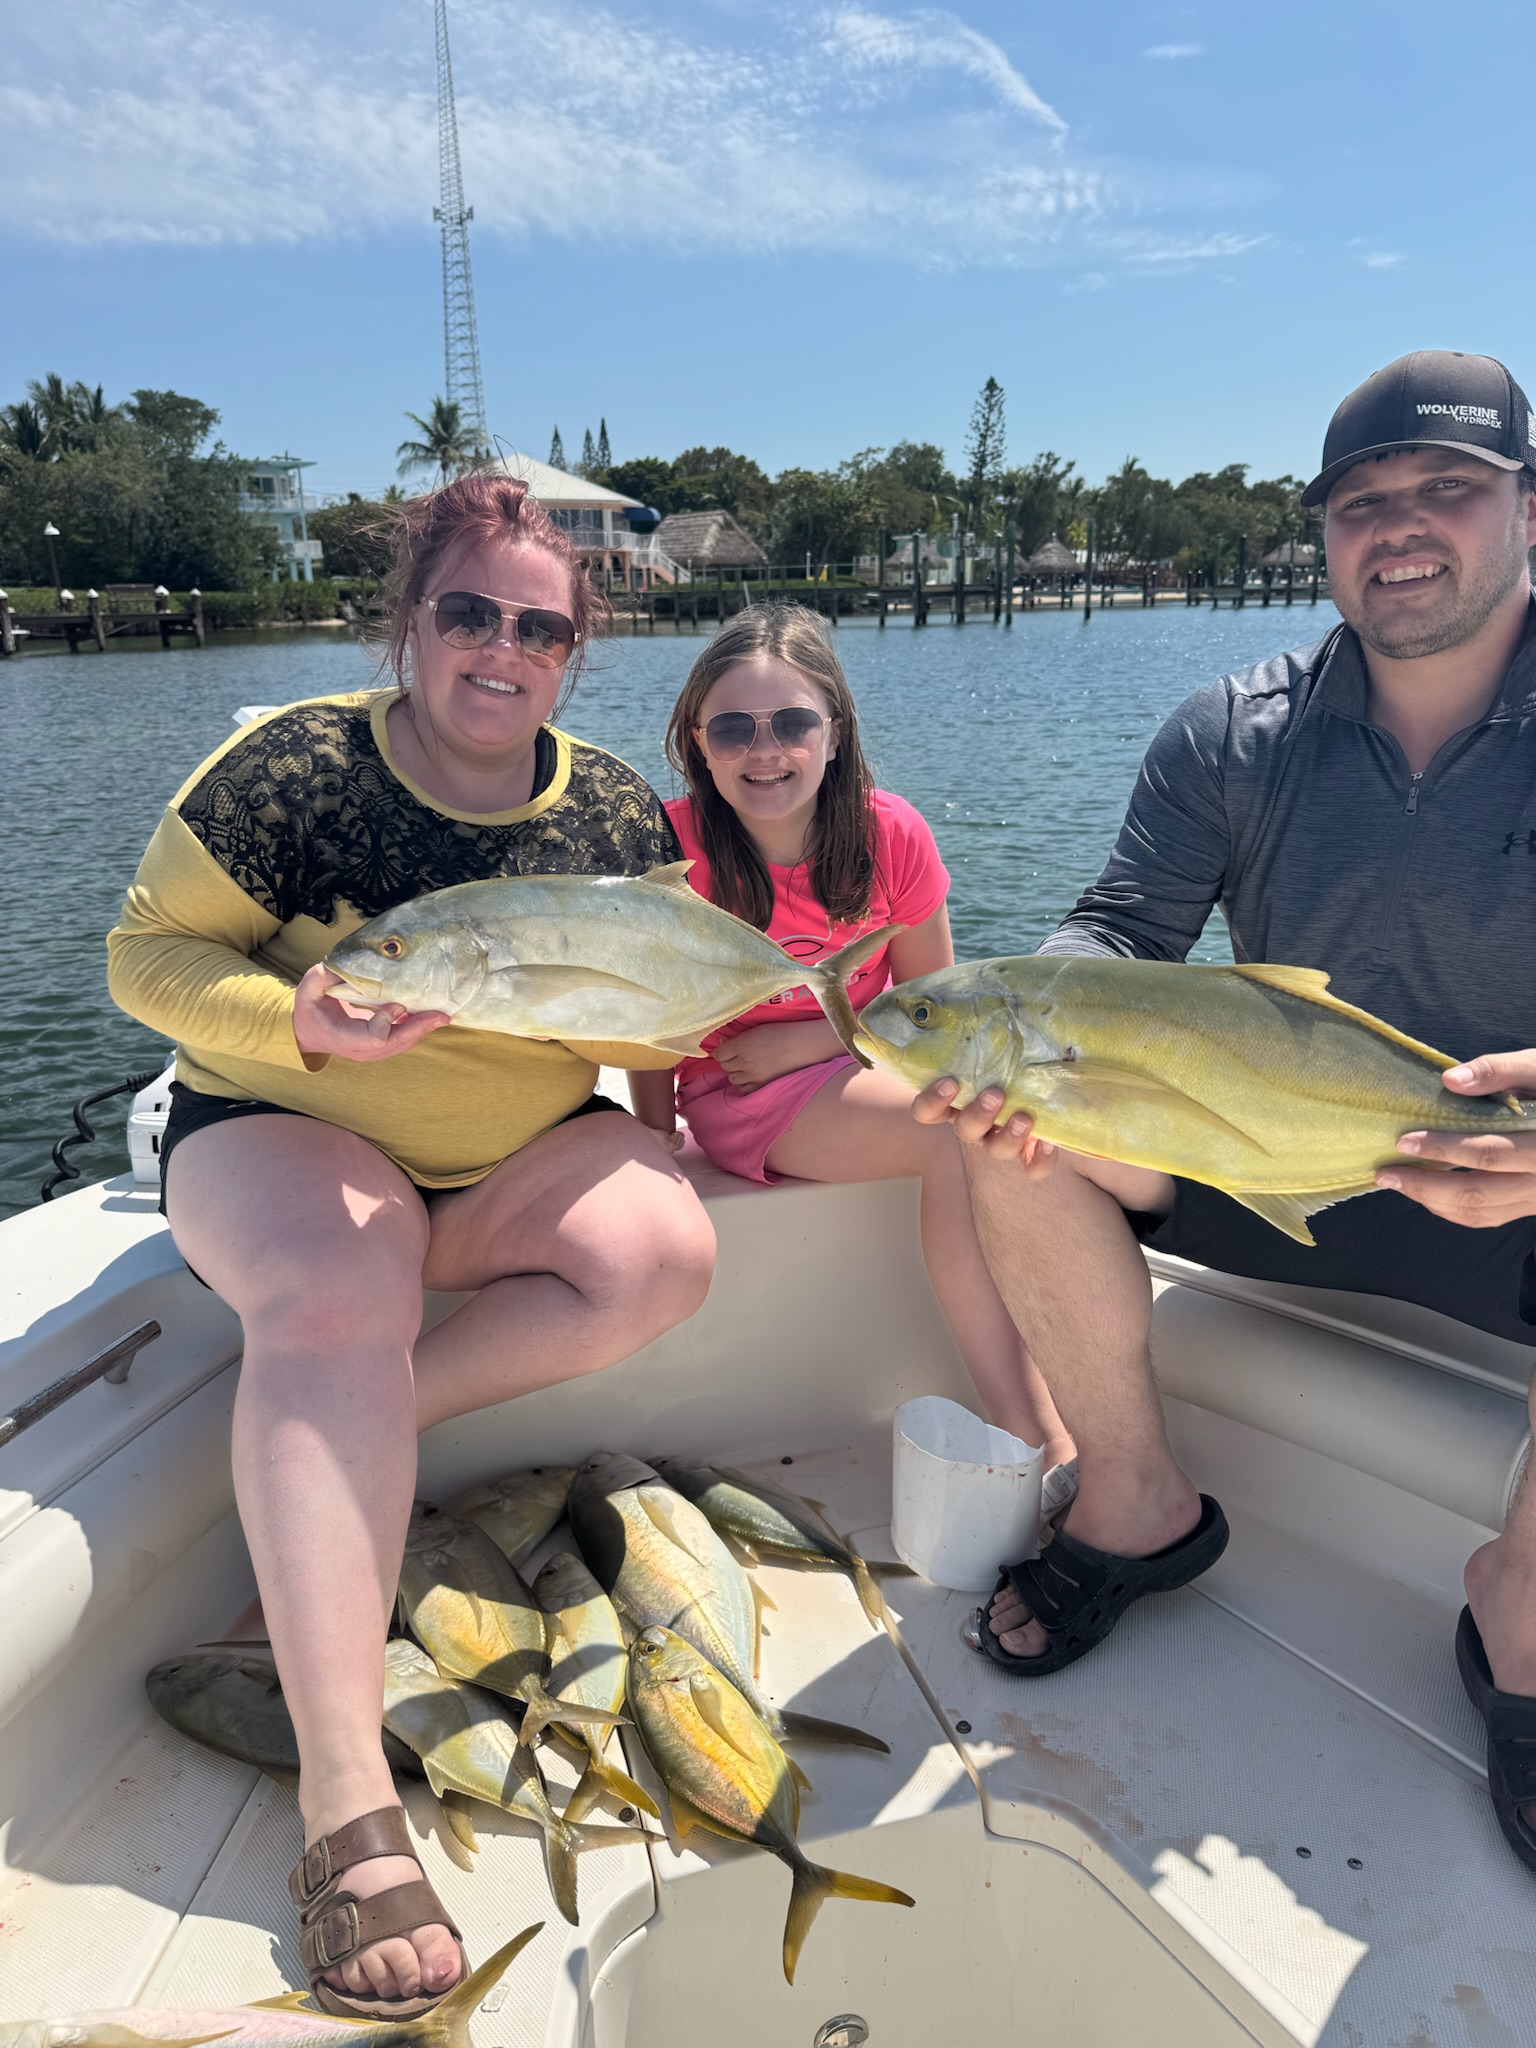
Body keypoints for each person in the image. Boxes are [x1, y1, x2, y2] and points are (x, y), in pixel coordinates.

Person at [912, 348, 1536, 1871]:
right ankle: (1131, 1501)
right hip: (1276, 1174)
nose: (1401, 527)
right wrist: (1029, 1014)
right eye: (1362, 503)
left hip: (1518, 1200)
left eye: (1446, 490)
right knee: (1017, 1128)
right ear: (1322, 535)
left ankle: (1519, 1606)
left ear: (1527, 507)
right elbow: (1120, 923)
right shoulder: (1228, 730)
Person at [106, 475, 716, 2016]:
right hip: (285, 1133)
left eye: (541, 627)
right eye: (468, 613)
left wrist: (683, 1083)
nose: (501, 650)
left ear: (576, 652)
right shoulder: (290, 767)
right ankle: (341, 1805)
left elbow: (653, 991)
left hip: (503, 1155)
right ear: (410, 621)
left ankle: (360, 1443)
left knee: (664, 1252)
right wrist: (291, 1019)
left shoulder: (614, 806)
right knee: (341, 1288)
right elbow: (142, 955)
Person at [628, 604, 1073, 1472]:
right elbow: (644, 1020)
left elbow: (935, 1013)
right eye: (734, 729)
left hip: (850, 1064)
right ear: (697, 740)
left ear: (834, 731)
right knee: (951, 1143)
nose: (766, 751)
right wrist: (652, 1138)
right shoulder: (670, 848)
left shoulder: (891, 834)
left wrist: (814, 1046)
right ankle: (1039, 1438)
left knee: (1009, 1132)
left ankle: (1063, 1406)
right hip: (739, 1093)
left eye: (793, 722)